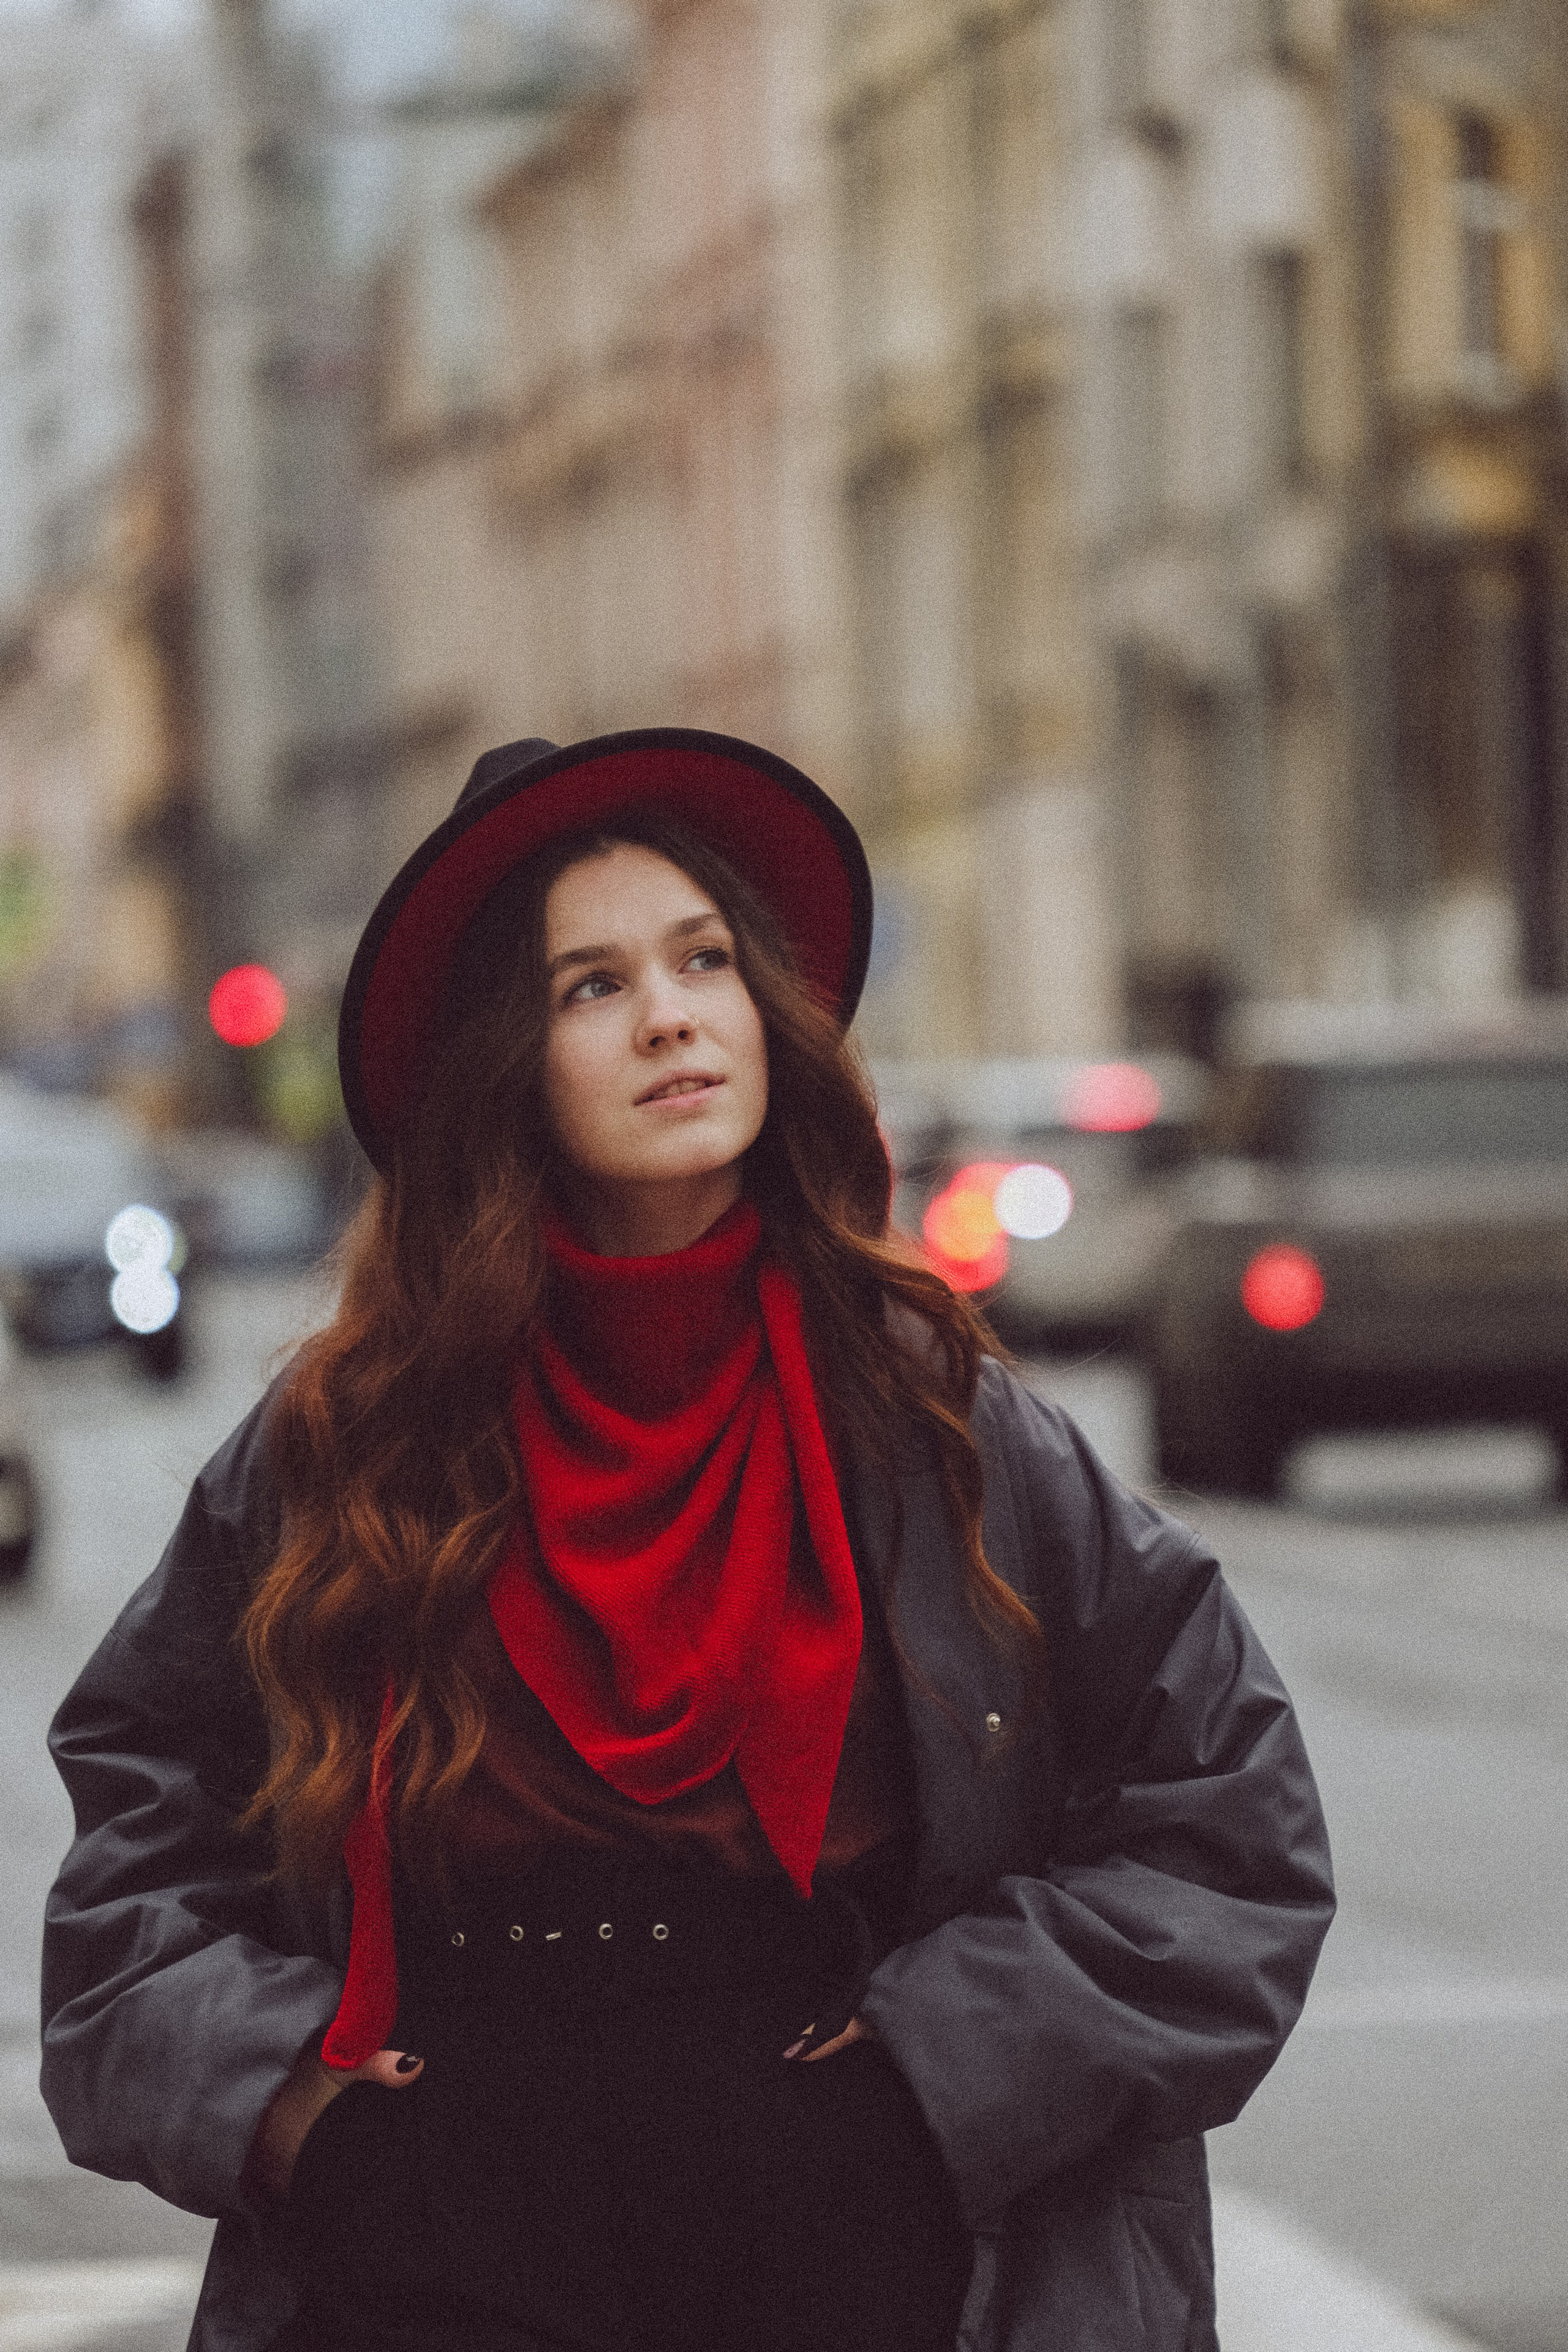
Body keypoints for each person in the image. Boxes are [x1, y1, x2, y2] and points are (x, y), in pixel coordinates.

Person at [40, 729, 1333, 2352]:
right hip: (439, 2258)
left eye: (703, 958)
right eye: (591, 985)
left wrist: (925, 2100)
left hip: (844, 2246)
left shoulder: (939, 1428)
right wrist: (311, 2127)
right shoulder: (341, 1449)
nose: (669, 1014)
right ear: (506, 1061)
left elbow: (1231, 1828)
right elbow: (130, 1882)